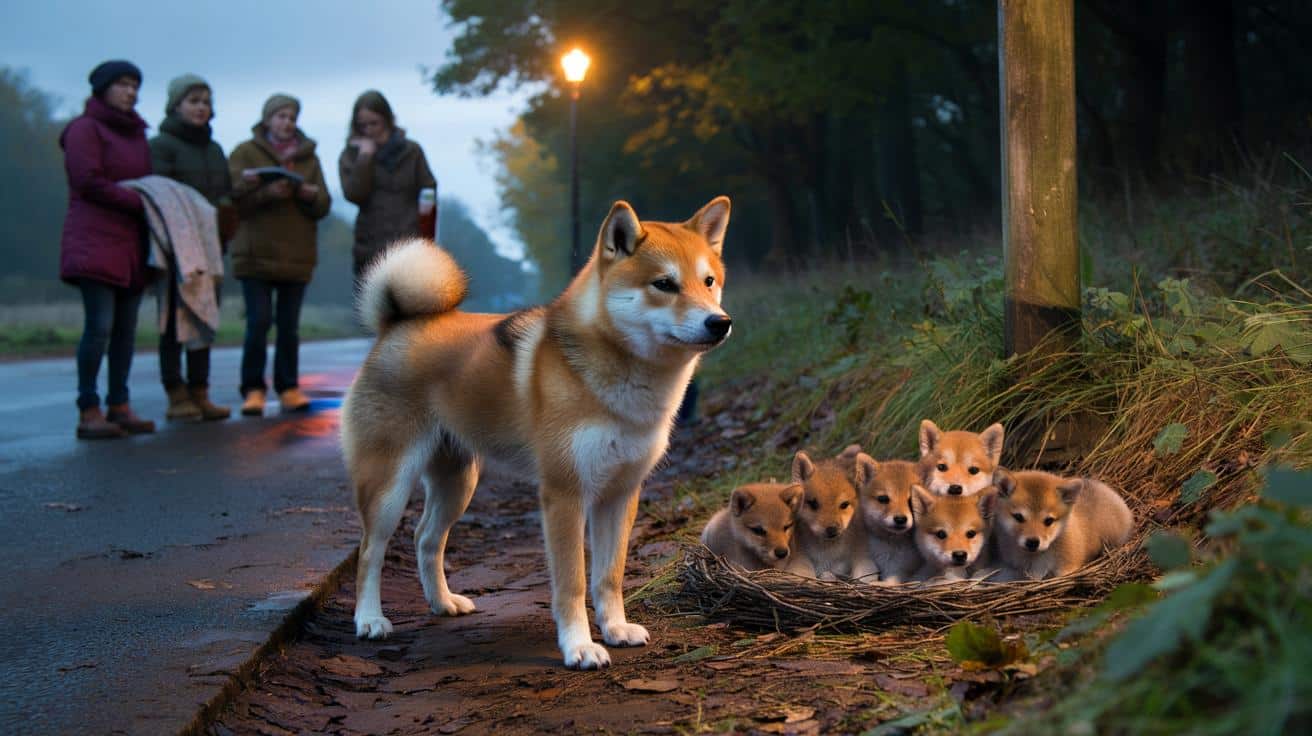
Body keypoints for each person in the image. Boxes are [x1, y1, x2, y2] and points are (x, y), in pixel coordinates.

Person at [59, 60, 156, 439]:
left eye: (135, 85)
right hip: (94, 240)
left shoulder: (137, 134)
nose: (130, 92)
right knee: (99, 327)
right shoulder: (84, 129)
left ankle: (120, 404)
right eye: (123, 84)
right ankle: (89, 408)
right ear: (103, 88)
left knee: (125, 331)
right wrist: (138, 201)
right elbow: (86, 180)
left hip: (131, 244)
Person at [227, 93, 331, 416]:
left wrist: (309, 195)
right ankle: (253, 389)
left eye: (292, 117)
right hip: (255, 253)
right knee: (258, 322)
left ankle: (288, 387)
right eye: (281, 116)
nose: (287, 123)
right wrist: (264, 192)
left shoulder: (309, 160)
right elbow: (231, 197)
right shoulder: (245, 152)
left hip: (296, 254)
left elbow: (324, 205)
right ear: (267, 118)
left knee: (289, 326)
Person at [149, 73, 235, 422]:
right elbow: (159, 195)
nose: (201, 108)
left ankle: (200, 391)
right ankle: (176, 392)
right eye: (193, 101)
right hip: (175, 246)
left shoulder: (215, 150)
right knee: (173, 320)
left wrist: (227, 222)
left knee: (205, 317)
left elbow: (226, 194)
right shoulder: (161, 146)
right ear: (176, 105)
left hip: (211, 245)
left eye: (206, 102)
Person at [338, 90, 437, 286]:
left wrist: (426, 232)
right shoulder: (350, 155)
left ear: (387, 119)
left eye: (374, 123)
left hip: (409, 246)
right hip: (371, 247)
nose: (368, 130)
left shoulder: (412, 151)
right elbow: (354, 194)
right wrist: (365, 158)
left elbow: (429, 189)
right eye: (362, 125)